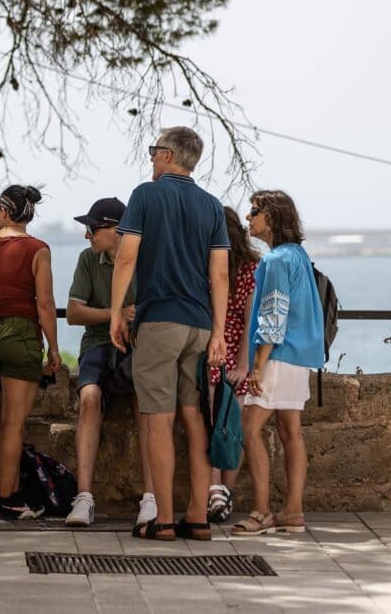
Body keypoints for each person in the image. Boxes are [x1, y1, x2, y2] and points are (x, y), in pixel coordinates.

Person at [110, 126, 229, 542]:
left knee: (158, 421)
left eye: (153, 149)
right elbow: (219, 274)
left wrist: (115, 314)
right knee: (194, 418)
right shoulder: (212, 207)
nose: (150, 157)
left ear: (167, 155)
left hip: (160, 321)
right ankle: (197, 517)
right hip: (199, 326)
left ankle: (162, 520)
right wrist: (218, 332)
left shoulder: (146, 194)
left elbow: (126, 257)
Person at [232, 190, 324, 536]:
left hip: (278, 356)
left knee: (250, 428)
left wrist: (258, 366)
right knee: (290, 431)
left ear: (272, 218)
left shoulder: (274, 262)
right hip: (298, 358)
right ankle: (293, 512)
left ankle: (261, 513)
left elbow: (273, 315)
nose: (248, 217)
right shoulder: (297, 256)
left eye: (254, 211)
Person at [64, 197, 157, 527]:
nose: (88, 236)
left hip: (139, 345)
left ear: (115, 229)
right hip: (99, 343)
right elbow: (74, 313)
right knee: (89, 399)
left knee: (145, 405)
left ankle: (151, 497)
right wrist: (115, 314)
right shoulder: (88, 260)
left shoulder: (147, 260)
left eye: (92, 228)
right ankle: (84, 497)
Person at [0, 184, 60, 520]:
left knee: (3, 422)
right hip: (19, 335)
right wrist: (53, 348)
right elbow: (46, 303)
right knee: (13, 425)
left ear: (6, 211)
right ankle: (7, 499)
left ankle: (6, 489)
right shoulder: (38, 249)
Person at [206, 206, 260, 524]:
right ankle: (217, 488)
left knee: (229, 425)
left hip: (233, 353)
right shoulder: (213, 265)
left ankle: (222, 490)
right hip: (215, 351)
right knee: (218, 425)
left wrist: (241, 364)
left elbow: (249, 320)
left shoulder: (248, 268)